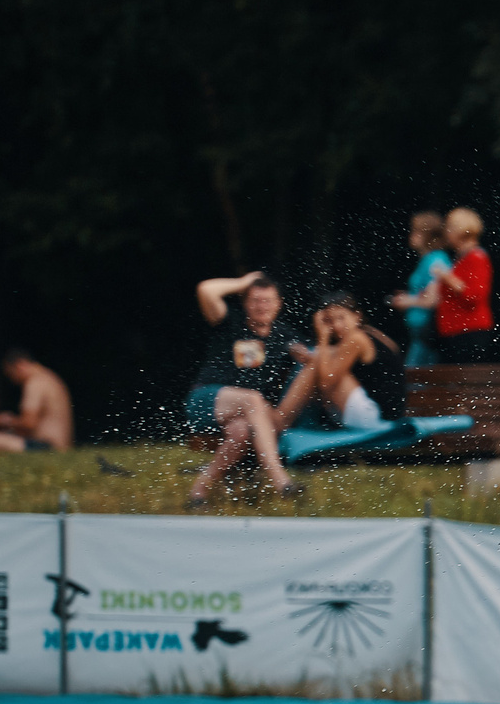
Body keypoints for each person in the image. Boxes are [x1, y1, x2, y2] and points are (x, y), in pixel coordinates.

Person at [188, 269, 310, 506]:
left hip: (246, 414)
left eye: (267, 301)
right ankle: (281, 481)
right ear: (245, 303)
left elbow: (313, 362)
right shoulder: (230, 323)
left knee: (242, 433)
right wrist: (243, 282)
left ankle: (199, 491)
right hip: (206, 400)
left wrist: (305, 355)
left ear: (278, 304)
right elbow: (205, 289)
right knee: (253, 399)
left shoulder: (285, 336)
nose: (261, 306)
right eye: (255, 300)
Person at [292, 293, 401, 431]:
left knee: (318, 367)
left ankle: (283, 420)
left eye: (341, 318)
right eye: (329, 321)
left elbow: (326, 381)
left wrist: (322, 337)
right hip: (388, 416)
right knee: (318, 361)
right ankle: (288, 421)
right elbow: (330, 355)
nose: (336, 325)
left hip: (377, 420)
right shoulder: (370, 333)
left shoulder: (356, 338)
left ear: (357, 315)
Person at [0, 349, 75, 452]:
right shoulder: (49, 377)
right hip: (58, 445)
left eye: (11, 374)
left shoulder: (35, 383)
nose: (13, 380)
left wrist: (8, 421)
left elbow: (29, 423)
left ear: (19, 365)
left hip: (48, 447)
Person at [431, 207, 495, 363]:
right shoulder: (462, 259)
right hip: (456, 331)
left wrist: (447, 278)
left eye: (450, 227)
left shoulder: (477, 257)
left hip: (470, 332)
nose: (446, 233)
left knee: (467, 381)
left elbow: (474, 295)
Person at [389, 212, 450, 367]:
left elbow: (432, 299)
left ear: (428, 235)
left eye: (416, 231)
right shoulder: (428, 259)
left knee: (416, 379)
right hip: (419, 334)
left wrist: (406, 300)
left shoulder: (436, 259)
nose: (412, 235)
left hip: (428, 334)